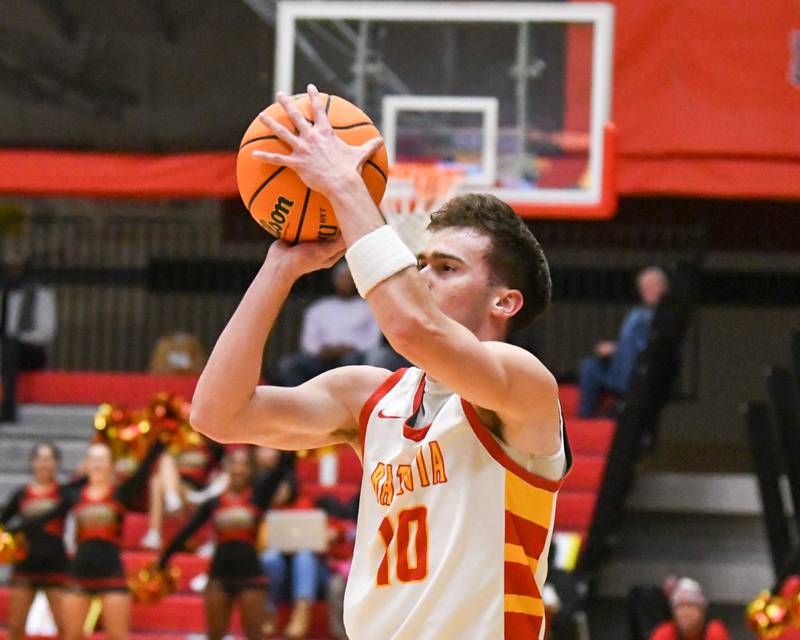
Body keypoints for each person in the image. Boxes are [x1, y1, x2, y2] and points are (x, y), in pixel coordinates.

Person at [190, 85, 568, 639]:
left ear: (504, 301)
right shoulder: (369, 397)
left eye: (446, 267)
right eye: (420, 263)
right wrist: (280, 267)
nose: (421, 278)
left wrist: (345, 182)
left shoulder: (522, 386)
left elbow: (412, 328)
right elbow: (217, 414)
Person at [13, 438, 164, 640]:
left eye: (103, 460)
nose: (98, 464)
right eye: (94, 459)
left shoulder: (120, 493)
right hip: (79, 573)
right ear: (86, 464)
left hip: (112, 573)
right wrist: (13, 530)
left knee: (118, 635)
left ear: (111, 464)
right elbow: (44, 518)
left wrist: (157, 446)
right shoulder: (74, 495)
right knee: (72, 635)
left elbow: (141, 474)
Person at [158, 448, 294, 640]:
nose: (239, 469)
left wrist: (289, 441)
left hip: (251, 575)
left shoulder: (258, 497)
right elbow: (187, 531)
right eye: (234, 463)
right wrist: (163, 560)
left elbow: (283, 468)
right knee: (214, 635)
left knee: (256, 635)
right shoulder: (213, 502)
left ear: (251, 469)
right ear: (225, 467)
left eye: (244, 464)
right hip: (219, 575)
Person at [0, 442, 85, 640]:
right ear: (32, 462)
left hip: (56, 565)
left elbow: (86, 480)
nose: (44, 464)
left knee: (65, 627)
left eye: (49, 459)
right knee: (15, 626)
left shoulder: (65, 493)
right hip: (25, 566)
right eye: (40, 458)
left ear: (56, 463)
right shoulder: (21, 494)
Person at [577, 266, 669, 418]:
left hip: (644, 368)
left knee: (630, 347)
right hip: (621, 363)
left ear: (664, 288)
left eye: (653, 286)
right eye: (645, 288)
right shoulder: (637, 314)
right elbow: (625, 341)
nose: (649, 291)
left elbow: (649, 345)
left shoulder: (666, 316)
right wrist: (615, 349)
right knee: (589, 367)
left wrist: (618, 349)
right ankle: (585, 418)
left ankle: (622, 400)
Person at [276, 260, 382, 386]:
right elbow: (308, 342)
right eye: (342, 278)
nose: (346, 283)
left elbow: (372, 341)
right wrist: (323, 351)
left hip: (353, 358)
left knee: (351, 363)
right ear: (334, 280)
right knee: (288, 365)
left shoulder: (369, 307)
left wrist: (350, 348)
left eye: (349, 278)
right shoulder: (319, 308)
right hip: (321, 358)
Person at [255, 446, 325, 640]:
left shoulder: (305, 507)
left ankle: (302, 611)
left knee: (304, 555)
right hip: (277, 571)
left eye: (283, 486)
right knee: (270, 558)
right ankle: (268, 611)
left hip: (306, 571)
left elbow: (320, 543)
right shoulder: (259, 512)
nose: (280, 491)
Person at [0, 256, 57, 422]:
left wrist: (15, 339)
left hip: (29, 351)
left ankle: (8, 407)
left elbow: (46, 332)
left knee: (11, 347)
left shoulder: (41, 295)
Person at [650, 577, 730, 640]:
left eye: (691, 605)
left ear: (702, 611)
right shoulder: (664, 633)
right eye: (680, 606)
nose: (686, 612)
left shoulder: (715, 631)